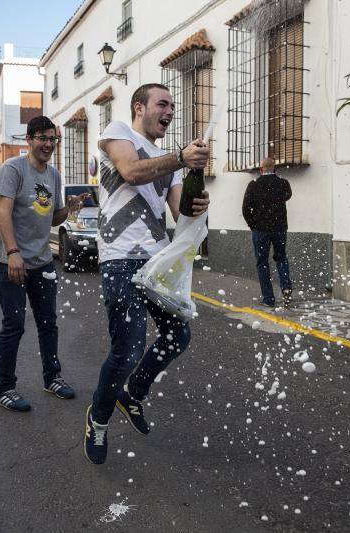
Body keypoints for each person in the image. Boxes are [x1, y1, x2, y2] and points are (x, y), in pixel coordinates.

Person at [83, 83, 210, 465]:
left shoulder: (171, 162)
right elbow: (131, 172)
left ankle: (132, 394)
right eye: (163, 104)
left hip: (156, 260)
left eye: (172, 105)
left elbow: (178, 212)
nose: (170, 111)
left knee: (178, 334)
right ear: (140, 107)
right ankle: (98, 420)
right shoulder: (118, 132)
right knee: (129, 347)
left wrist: (198, 201)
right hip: (120, 256)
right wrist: (181, 158)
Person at [0, 115, 88, 412]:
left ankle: (52, 377)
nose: (48, 144)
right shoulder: (13, 169)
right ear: (29, 140)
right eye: (42, 138)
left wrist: (68, 208)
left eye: (52, 139)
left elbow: (52, 217)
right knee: (14, 325)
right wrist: (13, 252)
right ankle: (4, 388)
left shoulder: (54, 176)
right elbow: (3, 213)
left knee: (48, 323)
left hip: (41, 261)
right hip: (10, 260)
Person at [242, 157, 293, 307]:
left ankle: (269, 299)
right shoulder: (283, 183)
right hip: (280, 229)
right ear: (274, 169)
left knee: (262, 263)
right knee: (281, 258)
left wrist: (253, 225)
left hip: (260, 230)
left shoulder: (253, 185)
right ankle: (286, 288)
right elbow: (288, 196)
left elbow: (245, 209)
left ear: (261, 169)